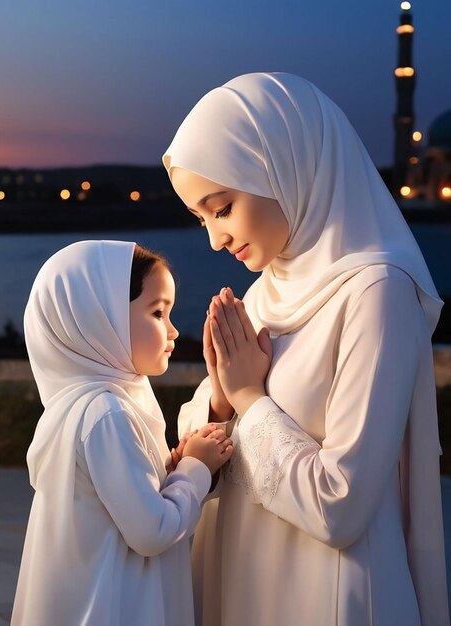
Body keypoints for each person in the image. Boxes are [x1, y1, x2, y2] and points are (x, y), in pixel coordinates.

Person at [163, 73, 450, 626]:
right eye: (201, 219)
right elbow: (203, 444)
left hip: (327, 595)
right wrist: (220, 403)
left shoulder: (376, 293)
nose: (214, 240)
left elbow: (342, 504)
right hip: (242, 584)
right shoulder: (265, 293)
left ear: (284, 166)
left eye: (221, 208)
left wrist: (249, 397)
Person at [11, 240, 233, 626]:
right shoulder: (105, 414)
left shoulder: (86, 407)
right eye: (158, 312)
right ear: (100, 319)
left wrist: (172, 470)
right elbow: (151, 530)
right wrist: (193, 469)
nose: (173, 330)